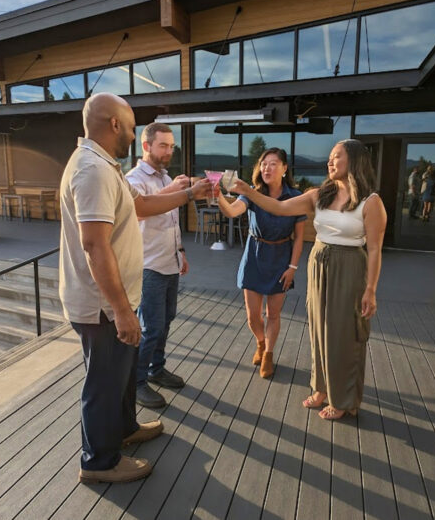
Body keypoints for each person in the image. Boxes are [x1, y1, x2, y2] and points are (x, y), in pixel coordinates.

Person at [59, 93, 211, 484]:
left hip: (115, 300)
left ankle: (125, 429)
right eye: (129, 126)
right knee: (104, 383)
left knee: (123, 376)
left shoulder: (105, 167)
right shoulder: (92, 170)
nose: (131, 132)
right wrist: (122, 311)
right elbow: (94, 245)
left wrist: (191, 193)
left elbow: (141, 206)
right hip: (102, 306)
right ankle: (98, 463)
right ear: (113, 125)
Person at [230, 139, 387, 420]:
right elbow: (278, 208)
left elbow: (374, 248)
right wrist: (245, 191)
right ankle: (321, 388)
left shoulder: (371, 202)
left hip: (349, 266)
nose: (330, 162)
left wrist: (371, 290)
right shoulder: (319, 195)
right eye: (329, 157)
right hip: (319, 262)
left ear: (354, 161)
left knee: (343, 335)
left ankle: (342, 399)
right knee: (317, 330)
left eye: (336, 157)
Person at [215, 147, 305, 379]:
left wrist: (292, 268)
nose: (267, 167)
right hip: (254, 256)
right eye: (264, 163)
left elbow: (299, 238)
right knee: (253, 316)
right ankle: (261, 342)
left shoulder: (295, 196)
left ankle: (269, 354)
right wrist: (218, 197)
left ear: (284, 169)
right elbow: (233, 211)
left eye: (273, 163)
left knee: (273, 314)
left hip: (281, 258)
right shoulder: (252, 194)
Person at [125, 123, 189, 409]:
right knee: (151, 327)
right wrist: (177, 189)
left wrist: (182, 251)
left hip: (170, 261)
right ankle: (137, 382)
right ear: (146, 146)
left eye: (171, 145)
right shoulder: (133, 179)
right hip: (148, 264)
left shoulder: (166, 177)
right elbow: (139, 211)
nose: (169, 151)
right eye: (163, 145)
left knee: (167, 319)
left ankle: (156, 368)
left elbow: (171, 221)